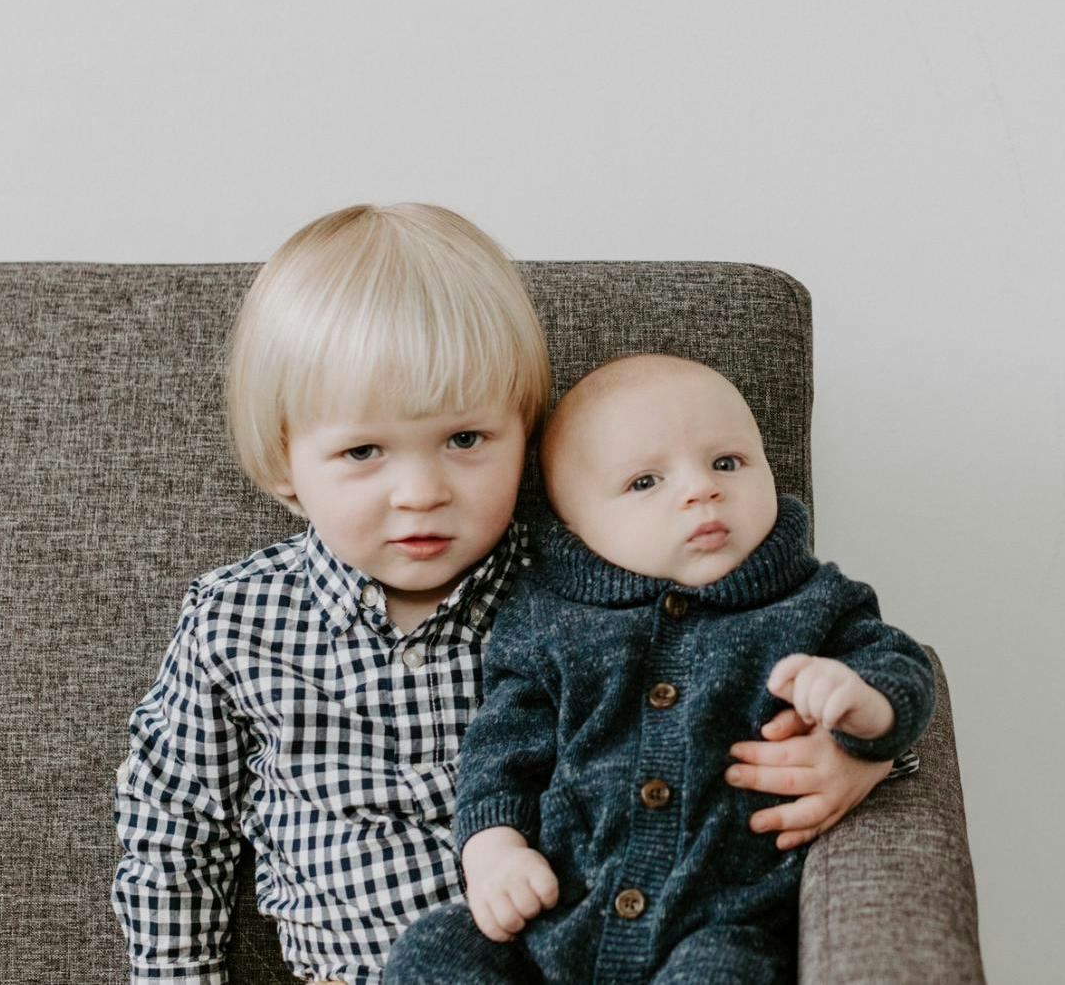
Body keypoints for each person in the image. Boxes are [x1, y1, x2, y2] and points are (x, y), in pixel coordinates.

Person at [110, 206, 896, 984]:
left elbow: (778, 655)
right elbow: (172, 829)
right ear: (285, 463)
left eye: (465, 440)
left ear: (525, 436)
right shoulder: (236, 620)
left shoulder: (593, 587)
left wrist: (865, 755)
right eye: (361, 451)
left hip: (559, 958)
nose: (420, 491)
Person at [386, 354, 935, 985]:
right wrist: (493, 851)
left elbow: (903, 664)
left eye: (726, 463)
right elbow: (502, 748)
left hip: (719, 928)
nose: (702, 489)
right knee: (439, 946)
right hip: (557, 926)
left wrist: (865, 704)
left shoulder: (813, 602)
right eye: (645, 482)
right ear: (575, 525)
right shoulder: (549, 620)